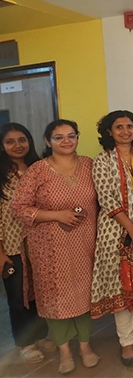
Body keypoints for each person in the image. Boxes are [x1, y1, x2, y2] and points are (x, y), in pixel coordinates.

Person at [12, 120, 99, 375]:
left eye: (71, 135)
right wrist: (56, 215)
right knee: (55, 299)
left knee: (84, 294)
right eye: (58, 137)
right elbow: (18, 208)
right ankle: (64, 351)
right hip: (48, 247)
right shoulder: (37, 170)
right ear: (48, 141)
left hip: (85, 242)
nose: (66, 141)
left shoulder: (89, 165)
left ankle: (85, 346)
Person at [90, 111, 133, 367]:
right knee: (122, 286)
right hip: (115, 231)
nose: (125, 131)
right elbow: (106, 198)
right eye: (118, 127)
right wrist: (131, 228)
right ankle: (126, 342)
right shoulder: (101, 160)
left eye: (129, 126)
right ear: (109, 132)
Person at [0, 123, 55, 364]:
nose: (17, 145)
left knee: (39, 293)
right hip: (12, 246)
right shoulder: (2, 175)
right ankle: (25, 343)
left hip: (41, 243)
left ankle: (40, 336)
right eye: (10, 141)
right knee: (18, 297)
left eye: (22, 140)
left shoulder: (39, 168)